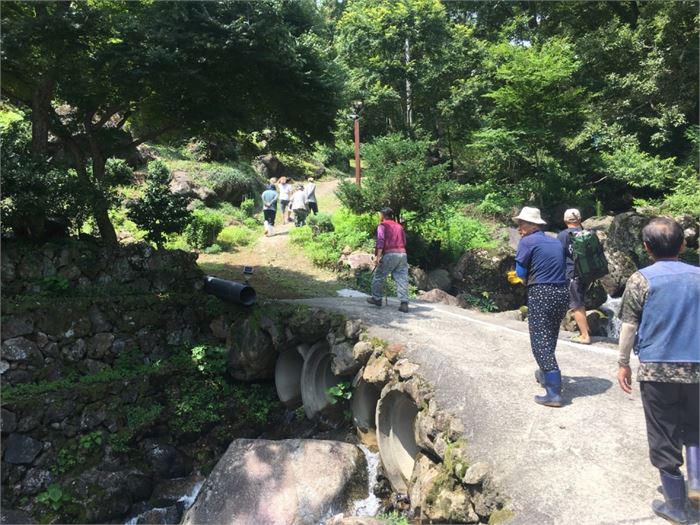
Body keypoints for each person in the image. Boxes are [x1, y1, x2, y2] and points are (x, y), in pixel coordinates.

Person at [616, 217, 699, 524]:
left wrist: (622, 363)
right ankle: (698, 485)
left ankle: (676, 507)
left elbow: (628, 326)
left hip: (657, 370)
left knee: (663, 434)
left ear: (647, 248)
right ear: (683, 245)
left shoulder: (640, 279)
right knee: (696, 427)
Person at [513, 206, 569, 407]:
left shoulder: (527, 242)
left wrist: (522, 279)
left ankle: (553, 392)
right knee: (550, 334)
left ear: (532, 225)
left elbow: (520, 272)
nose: (519, 228)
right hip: (562, 292)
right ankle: (546, 373)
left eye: (522, 224)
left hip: (542, 292)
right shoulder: (554, 241)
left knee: (539, 340)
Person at [557, 208, 591, 344]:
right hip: (587, 273)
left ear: (565, 220)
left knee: (577, 305)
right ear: (580, 219)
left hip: (572, 274)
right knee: (581, 302)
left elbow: (558, 255)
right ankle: (586, 329)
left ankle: (584, 336)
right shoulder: (586, 233)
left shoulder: (563, 235)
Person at [367, 207, 409, 313]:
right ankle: (404, 303)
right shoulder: (399, 226)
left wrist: (378, 257)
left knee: (379, 276)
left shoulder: (382, 226)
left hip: (390, 253)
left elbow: (380, 241)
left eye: (379, 214)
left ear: (382, 215)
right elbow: (404, 242)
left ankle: (376, 298)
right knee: (402, 278)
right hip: (402, 254)